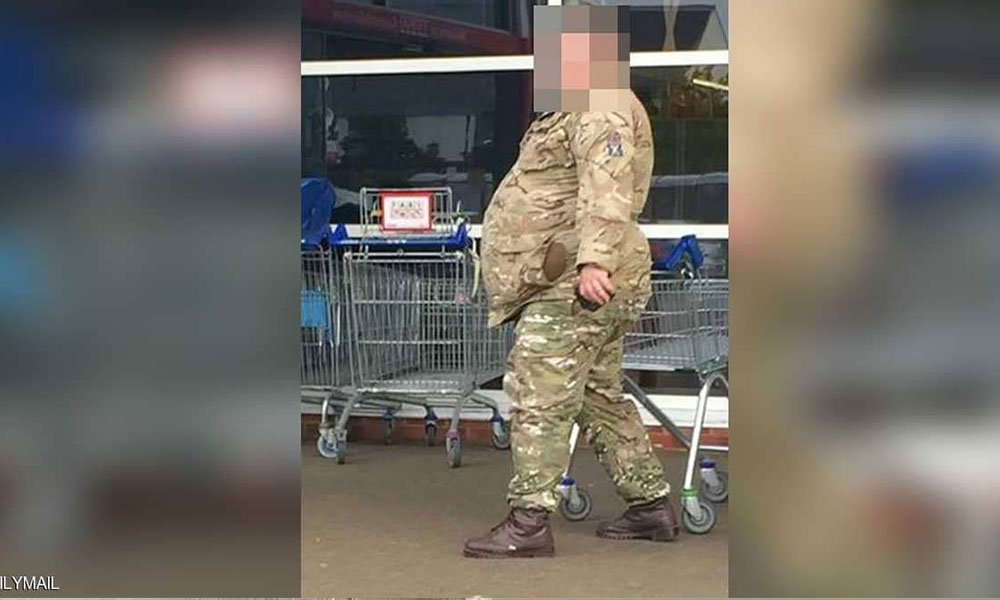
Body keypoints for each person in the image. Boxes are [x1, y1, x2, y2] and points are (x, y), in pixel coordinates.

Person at [464, 64, 679, 557]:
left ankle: (529, 522)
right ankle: (649, 503)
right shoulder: (574, 105)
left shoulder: (599, 102)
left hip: (575, 282)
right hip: (566, 277)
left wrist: (594, 261)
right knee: (597, 396)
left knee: (539, 392)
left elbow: (608, 183)